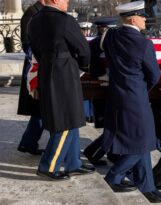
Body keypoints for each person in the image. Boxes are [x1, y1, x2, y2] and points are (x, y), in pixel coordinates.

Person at [99, 1, 161, 203]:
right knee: (144, 142)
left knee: (140, 141)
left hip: (117, 94)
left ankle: (147, 186)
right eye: (143, 16)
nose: (145, 19)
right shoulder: (144, 44)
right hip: (136, 98)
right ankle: (114, 176)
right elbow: (154, 75)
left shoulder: (110, 36)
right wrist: (140, 89)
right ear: (134, 18)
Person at [28, 0, 95, 180]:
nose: (67, 2)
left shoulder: (34, 20)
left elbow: (34, 49)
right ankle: (48, 166)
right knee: (65, 120)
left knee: (70, 117)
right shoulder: (65, 20)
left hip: (46, 70)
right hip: (64, 72)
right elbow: (83, 49)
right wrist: (83, 65)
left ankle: (73, 163)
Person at [83, 17, 118, 166]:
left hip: (110, 85)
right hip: (103, 86)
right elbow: (95, 64)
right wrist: (103, 76)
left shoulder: (109, 42)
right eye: (107, 29)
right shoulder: (97, 44)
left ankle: (112, 153)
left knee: (114, 124)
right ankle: (94, 153)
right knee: (112, 125)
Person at [16, 0, 45, 155]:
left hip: (38, 64)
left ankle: (28, 142)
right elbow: (27, 44)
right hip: (36, 67)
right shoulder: (33, 13)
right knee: (39, 108)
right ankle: (28, 142)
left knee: (39, 109)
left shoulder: (37, 11)